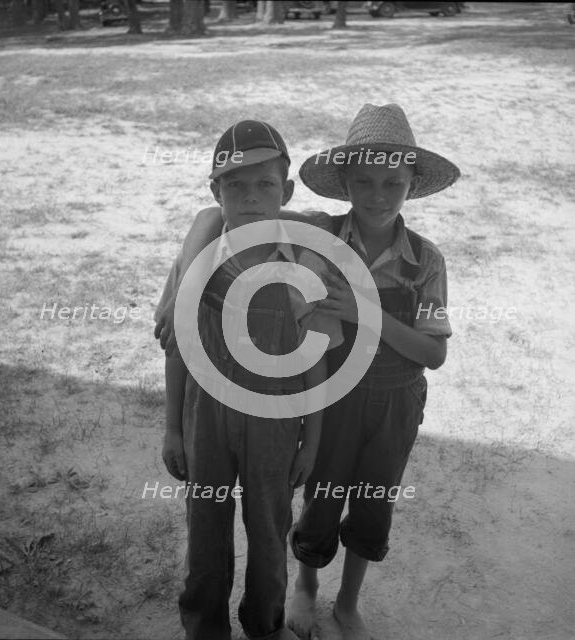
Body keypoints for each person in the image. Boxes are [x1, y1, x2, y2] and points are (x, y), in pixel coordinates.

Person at [155, 103, 460, 640]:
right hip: (274, 406)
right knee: (272, 518)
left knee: (357, 506)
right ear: (343, 183)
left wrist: (365, 313)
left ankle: (323, 607)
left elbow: (429, 353)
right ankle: (267, 603)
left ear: (413, 184)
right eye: (363, 181)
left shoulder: (405, 259)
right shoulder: (317, 235)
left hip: (361, 406)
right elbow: (212, 218)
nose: (378, 195)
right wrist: (182, 280)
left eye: (393, 182)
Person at [158, 119, 342, 640]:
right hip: (205, 419)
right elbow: (176, 347)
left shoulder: (306, 262)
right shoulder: (197, 263)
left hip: (278, 423)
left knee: (268, 532)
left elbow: (317, 359)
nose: (251, 197)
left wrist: (312, 439)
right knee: (205, 533)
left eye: (265, 185)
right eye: (235, 185)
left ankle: (265, 624)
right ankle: (204, 625)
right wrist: (174, 428)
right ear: (216, 192)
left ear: (285, 191)